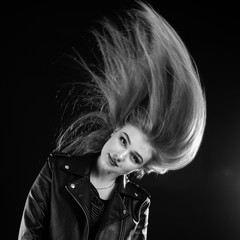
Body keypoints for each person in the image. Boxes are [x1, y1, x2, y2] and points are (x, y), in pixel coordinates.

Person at [18, 1, 206, 240]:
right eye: (124, 140)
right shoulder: (57, 170)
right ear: (116, 129)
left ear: (142, 168)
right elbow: (29, 233)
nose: (120, 155)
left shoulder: (138, 205)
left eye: (135, 157)